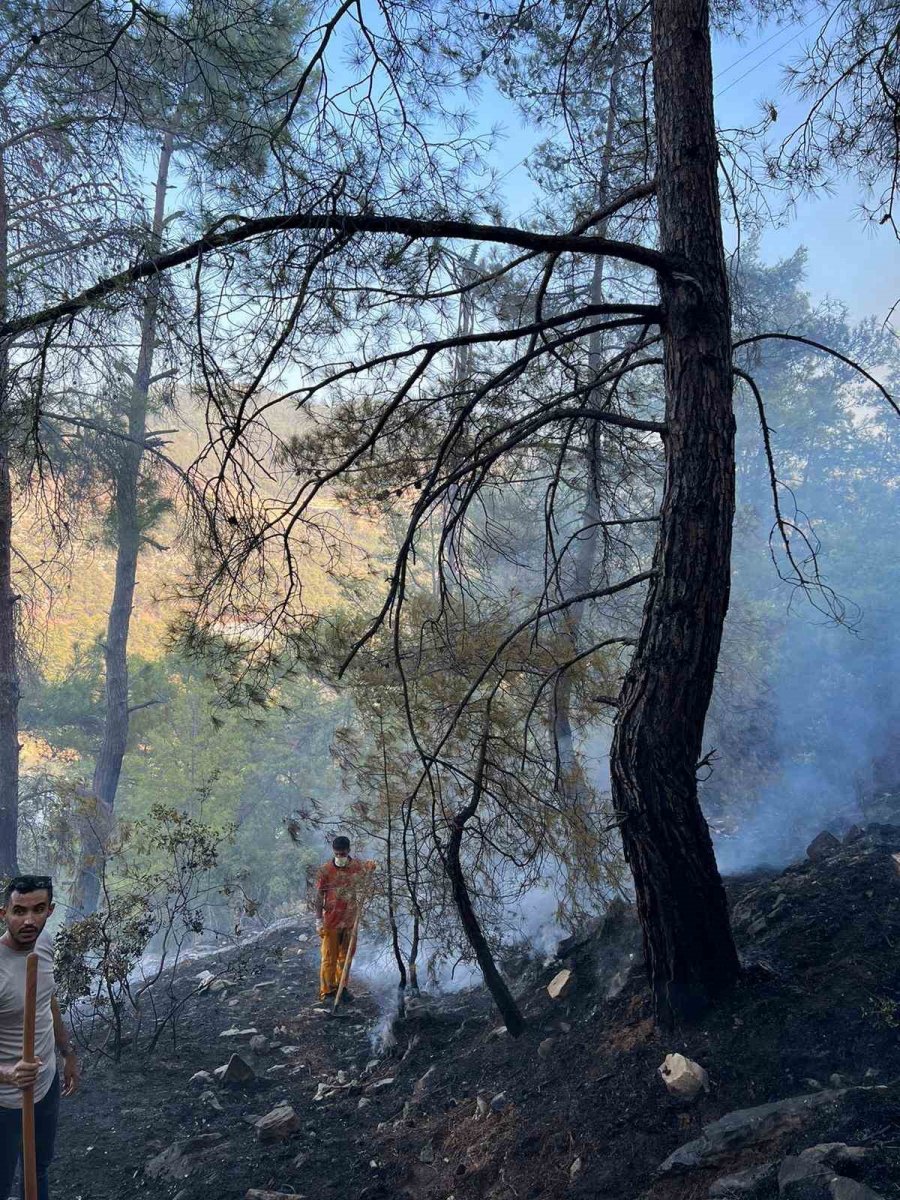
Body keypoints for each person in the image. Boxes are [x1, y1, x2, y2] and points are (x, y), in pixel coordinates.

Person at [0, 875, 79, 1200]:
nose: (29, 920)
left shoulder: (43, 943)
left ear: (50, 910)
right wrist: (7, 1073)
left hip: (45, 1087)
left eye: (38, 909)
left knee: (39, 1169)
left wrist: (67, 1053)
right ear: (3, 914)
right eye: (19, 911)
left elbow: (48, 999)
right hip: (4, 1100)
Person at [315, 837, 375, 1004]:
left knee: (346, 958)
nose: (340, 856)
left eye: (343, 853)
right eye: (337, 854)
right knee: (329, 958)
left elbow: (366, 883)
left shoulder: (356, 867)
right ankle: (327, 992)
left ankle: (341, 988)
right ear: (333, 851)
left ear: (349, 851)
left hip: (350, 921)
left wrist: (370, 869)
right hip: (331, 922)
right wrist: (318, 920)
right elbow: (319, 896)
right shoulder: (325, 870)